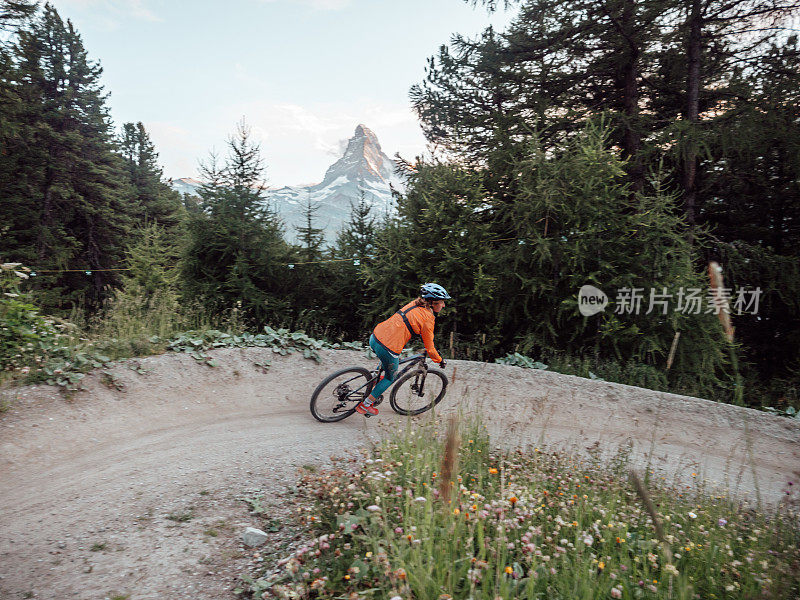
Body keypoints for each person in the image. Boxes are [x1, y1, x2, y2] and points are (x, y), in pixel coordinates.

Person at [356, 283, 451, 416]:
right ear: (433, 303)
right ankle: (365, 405)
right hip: (388, 347)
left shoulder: (414, 304)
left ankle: (375, 380)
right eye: (442, 302)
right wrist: (440, 360)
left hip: (375, 336)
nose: (444, 305)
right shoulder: (428, 319)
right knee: (390, 377)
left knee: (388, 363)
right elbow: (430, 348)